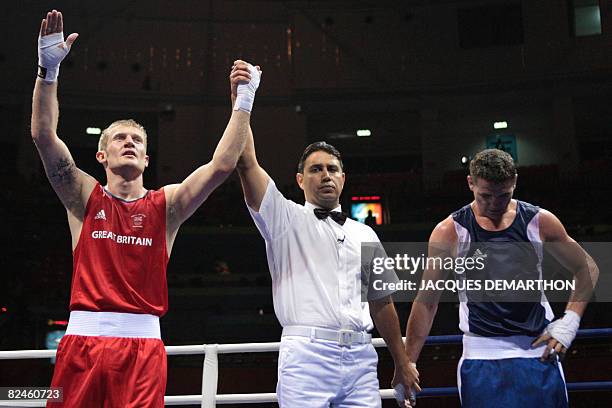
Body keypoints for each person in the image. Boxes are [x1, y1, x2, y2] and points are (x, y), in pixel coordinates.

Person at [32, 10, 260, 407]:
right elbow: (43, 135)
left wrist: (245, 100)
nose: (129, 143)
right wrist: (47, 71)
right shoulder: (84, 197)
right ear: (101, 155)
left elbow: (222, 166)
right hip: (81, 342)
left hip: (142, 348)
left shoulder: (166, 206)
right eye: (119, 138)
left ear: (147, 159)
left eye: (137, 139)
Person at [233, 63, 419, 406]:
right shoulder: (284, 218)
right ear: (301, 179)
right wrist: (244, 98)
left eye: (332, 169)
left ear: (343, 179)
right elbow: (246, 163)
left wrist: (402, 360)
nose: (325, 175)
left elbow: (382, 304)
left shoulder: (365, 233)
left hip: (362, 358)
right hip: (306, 357)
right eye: (315, 169)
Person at [404, 149, 598, 407]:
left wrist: (570, 322)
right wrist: (408, 364)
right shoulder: (450, 232)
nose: (495, 204)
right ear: (470, 183)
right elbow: (427, 302)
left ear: (515, 181)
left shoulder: (539, 221)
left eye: (504, 195)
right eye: (486, 196)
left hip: (539, 354)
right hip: (481, 359)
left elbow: (587, 268)